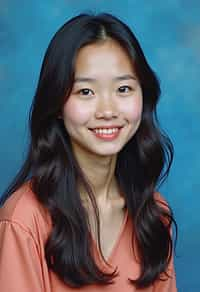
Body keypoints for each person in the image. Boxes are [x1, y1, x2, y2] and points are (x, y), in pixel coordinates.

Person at [0, 13, 177, 291]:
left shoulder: (153, 214)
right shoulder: (24, 221)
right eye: (86, 92)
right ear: (57, 103)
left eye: (123, 88)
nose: (107, 110)